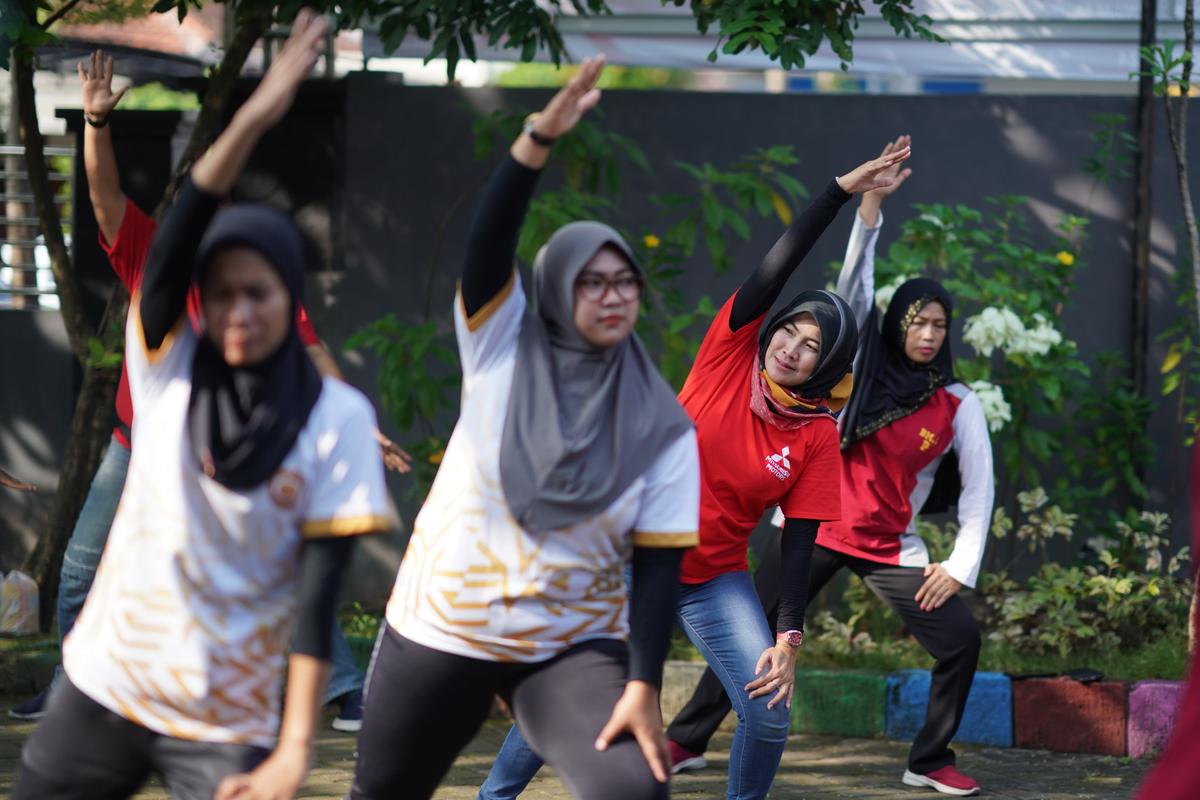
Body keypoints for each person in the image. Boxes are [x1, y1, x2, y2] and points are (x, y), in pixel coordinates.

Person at [13, 13, 392, 798]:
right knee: (80, 569)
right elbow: (106, 198)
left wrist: (293, 748)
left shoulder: (312, 393)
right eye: (222, 290)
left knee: (284, 576)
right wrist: (101, 123)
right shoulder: (168, 348)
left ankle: (343, 689)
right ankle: (65, 685)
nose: (239, 308)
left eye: (256, 289)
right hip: (138, 448)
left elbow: (315, 354)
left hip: (219, 701)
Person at [478, 138, 910, 800]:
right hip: (628, 561)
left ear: (827, 365)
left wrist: (788, 639)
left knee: (769, 709)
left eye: (813, 346)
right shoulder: (728, 357)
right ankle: (493, 797)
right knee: (574, 696)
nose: (792, 349)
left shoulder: (817, 433)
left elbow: (799, 541)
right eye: (789, 331)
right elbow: (775, 268)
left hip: (712, 579)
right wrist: (838, 193)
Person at [347, 56, 700, 800]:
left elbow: (660, 563)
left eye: (625, 281)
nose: (612, 296)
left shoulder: (663, 425)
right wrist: (536, 141)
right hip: (446, 624)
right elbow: (487, 248)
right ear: (555, 288)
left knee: (634, 790)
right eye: (591, 282)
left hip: (568, 644)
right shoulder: (501, 345)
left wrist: (643, 683)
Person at [663, 136, 995, 798]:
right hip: (814, 532)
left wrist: (960, 566)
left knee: (961, 640)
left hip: (888, 545)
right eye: (918, 322)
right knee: (750, 631)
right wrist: (864, 206)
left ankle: (929, 759)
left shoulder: (957, 400)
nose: (928, 334)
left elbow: (980, 492)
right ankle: (687, 740)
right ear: (896, 326)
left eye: (939, 325)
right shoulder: (856, 372)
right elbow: (852, 290)